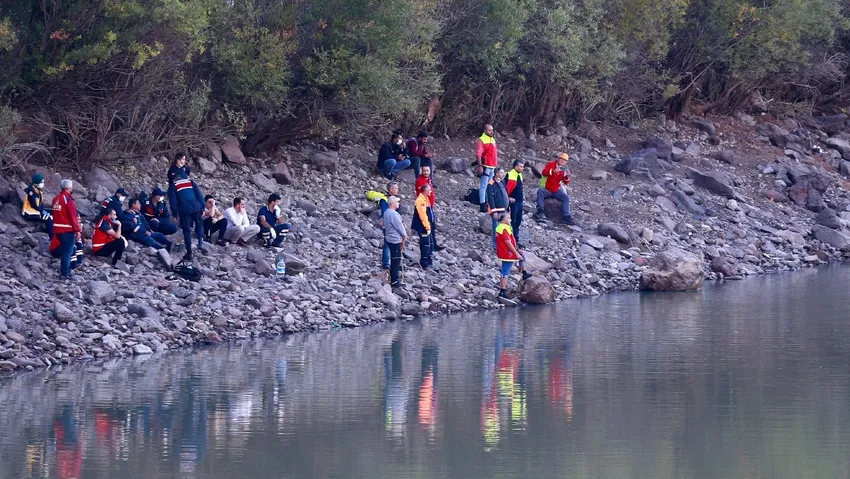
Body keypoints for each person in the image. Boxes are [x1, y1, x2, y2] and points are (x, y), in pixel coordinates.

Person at [167, 167, 207, 260]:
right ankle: (201, 243)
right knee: (199, 224)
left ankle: (189, 252)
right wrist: (203, 207)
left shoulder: (172, 187)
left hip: (184, 208)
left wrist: (174, 214)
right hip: (196, 205)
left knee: (186, 230)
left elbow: (173, 202)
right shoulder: (190, 182)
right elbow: (199, 195)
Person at [495, 212, 532, 299]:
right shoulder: (503, 228)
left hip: (508, 251)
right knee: (505, 271)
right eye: (508, 218)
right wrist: (516, 253)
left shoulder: (503, 227)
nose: (510, 219)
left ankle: (524, 272)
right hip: (507, 252)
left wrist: (517, 249)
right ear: (503, 219)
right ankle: (502, 291)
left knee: (522, 256)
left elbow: (511, 241)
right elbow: (508, 242)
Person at [51, 179, 82, 279]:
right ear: (69, 187)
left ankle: (66, 271)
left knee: (65, 250)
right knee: (67, 252)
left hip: (57, 229)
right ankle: (65, 273)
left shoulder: (55, 199)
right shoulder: (68, 200)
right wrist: (77, 230)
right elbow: (73, 217)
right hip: (67, 229)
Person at [533, 152, 574, 225]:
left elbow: (566, 182)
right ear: (558, 158)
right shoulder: (551, 164)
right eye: (561, 159)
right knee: (540, 191)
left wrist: (567, 176)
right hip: (547, 189)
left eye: (564, 160)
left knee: (566, 197)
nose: (562, 161)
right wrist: (552, 171)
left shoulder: (564, 169)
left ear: (566, 162)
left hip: (556, 191)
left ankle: (566, 216)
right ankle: (540, 211)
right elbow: (544, 172)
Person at [367, 181, 400, 270]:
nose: (397, 190)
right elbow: (385, 212)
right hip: (389, 225)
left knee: (394, 244)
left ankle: (393, 262)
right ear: (390, 189)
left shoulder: (395, 199)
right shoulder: (385, 199)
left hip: (394, 224)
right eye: (396, 188)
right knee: (387, 244)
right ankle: (386, 263)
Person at [415, 165, 443, 252]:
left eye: (427, 171)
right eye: (424, 171)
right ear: (421, 171)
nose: (426, 172)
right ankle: (430, 246)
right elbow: (421, 195)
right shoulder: (420, 181)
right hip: (425, 207)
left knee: (432, 226)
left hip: (429, 206)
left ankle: (433, 245)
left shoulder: (428, 179)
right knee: (428, 226)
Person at [383, 196, 408, 289]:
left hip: (389, 238)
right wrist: (404, 235)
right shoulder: (394, 214)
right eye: (397, 202)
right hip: (395, 239)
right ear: (393, 204)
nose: (398, 204)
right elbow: (399, 226)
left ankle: (393, 279)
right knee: (396, 260)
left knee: (394, 259)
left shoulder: (386, 212)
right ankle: (395, 281)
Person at [21, 172, 54, 238]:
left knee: (53, 212)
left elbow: (40, 204)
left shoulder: (37, 190)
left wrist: (45, 211)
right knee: (47, 218)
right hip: (29, 212)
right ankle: (52, 237)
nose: (43, 184)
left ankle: (57, 231)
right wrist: (43, 212)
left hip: (36, 210)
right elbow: (34, 205)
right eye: (41, 182)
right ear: (37, 182)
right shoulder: (31, 192)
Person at [475, 124, 498, 212]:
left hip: (492, 166)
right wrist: (480, 166)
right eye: (489, 130)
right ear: (485, 130)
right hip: (486, 166)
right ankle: (482, 204)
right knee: (484, 186)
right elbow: (478, 154)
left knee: (490, 186)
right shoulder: (481, 140)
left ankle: (488, 203)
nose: (492, 132)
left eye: (492, 130)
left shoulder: (492, 139)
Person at [411, 183, 435, 270]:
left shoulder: (425, 199)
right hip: (423, 226)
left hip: (427, 225)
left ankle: (429, 261)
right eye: (429, 190)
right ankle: (424, 263)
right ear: (425, 191)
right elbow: (422, 215)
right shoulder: (420, 201)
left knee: (430, 243)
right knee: (425, 244)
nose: (431, 192)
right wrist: (427, 226)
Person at [504, 159, 526, 248]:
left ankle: (515, 240)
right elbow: (505, 189)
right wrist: (508, 198)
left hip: (519, 201)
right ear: (516, 166)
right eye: (521, 166)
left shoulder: (519, 175)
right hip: (513, 202)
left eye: (523, 166)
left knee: (518, 221)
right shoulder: (510, 175)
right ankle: (510, 240)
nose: (522, 168)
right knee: (512, 221)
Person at [486, 167, 509, 248]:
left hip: (504, 210)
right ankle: (495, 245)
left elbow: (505, 194)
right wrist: (494, 211)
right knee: (496, 228)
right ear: (497, 174)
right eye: (502, 173)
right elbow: (490, 199)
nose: (503, 174)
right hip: (497, 211)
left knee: (505, 228)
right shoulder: (491, 184)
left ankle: (503, 244)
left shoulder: (503, 182)